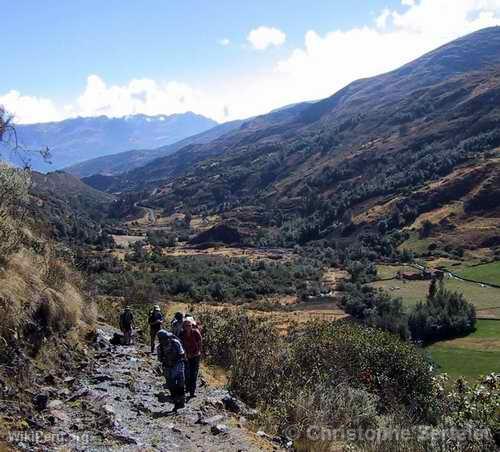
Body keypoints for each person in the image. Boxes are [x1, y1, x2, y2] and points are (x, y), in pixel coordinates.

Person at [157, 329, 186, 412]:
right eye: (165, 338)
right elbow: (160, 359)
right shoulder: (159, 348)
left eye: (167, 337)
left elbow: (182, 354)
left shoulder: (175, 343)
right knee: (171, 386)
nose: (167, 339)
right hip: (167, 368)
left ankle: (182, 401)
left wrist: (175, 360)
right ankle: (176, 402)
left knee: (180, 384)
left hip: (178, 365)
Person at [180, 319, 202, 398]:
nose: (188, 327)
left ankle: (192, 392)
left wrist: (196, 353)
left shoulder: (196, 332)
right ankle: (188, 387)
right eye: (187, 326)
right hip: (186, 355)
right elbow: (181, 345)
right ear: (184, 327)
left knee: (194, 373)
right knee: (186, 372)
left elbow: (199, 344)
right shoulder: (182, 334)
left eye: (190, 325)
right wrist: (185, 354)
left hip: (195, 356)